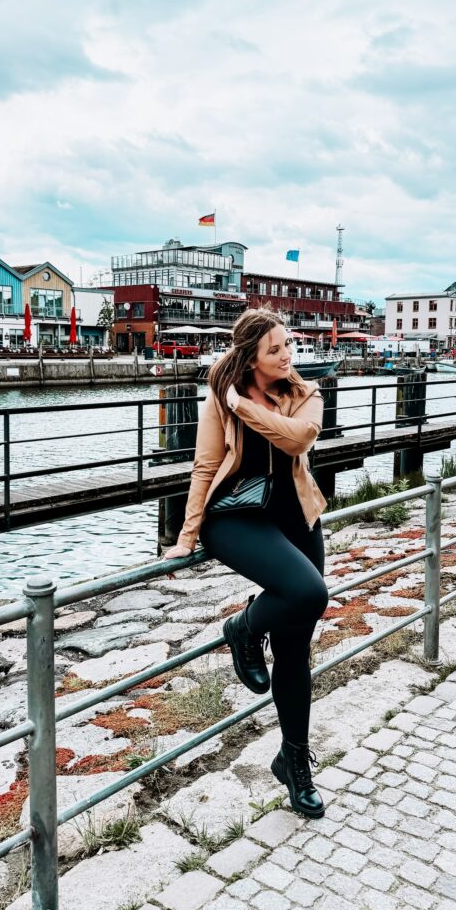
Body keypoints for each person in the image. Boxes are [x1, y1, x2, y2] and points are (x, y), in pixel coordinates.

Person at [165, 309, 329, 818]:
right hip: (235, 518)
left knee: (296, 647)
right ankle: (242, 628)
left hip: (296, 518)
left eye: (288, 345)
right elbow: (206, 464)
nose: (287, 356)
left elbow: (299, 438)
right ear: (251, 357)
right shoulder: (220, 395)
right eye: (275, 349)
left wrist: (246, 406)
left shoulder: (306, 391)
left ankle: (294, 762)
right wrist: (185, 537)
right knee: (309, 593)